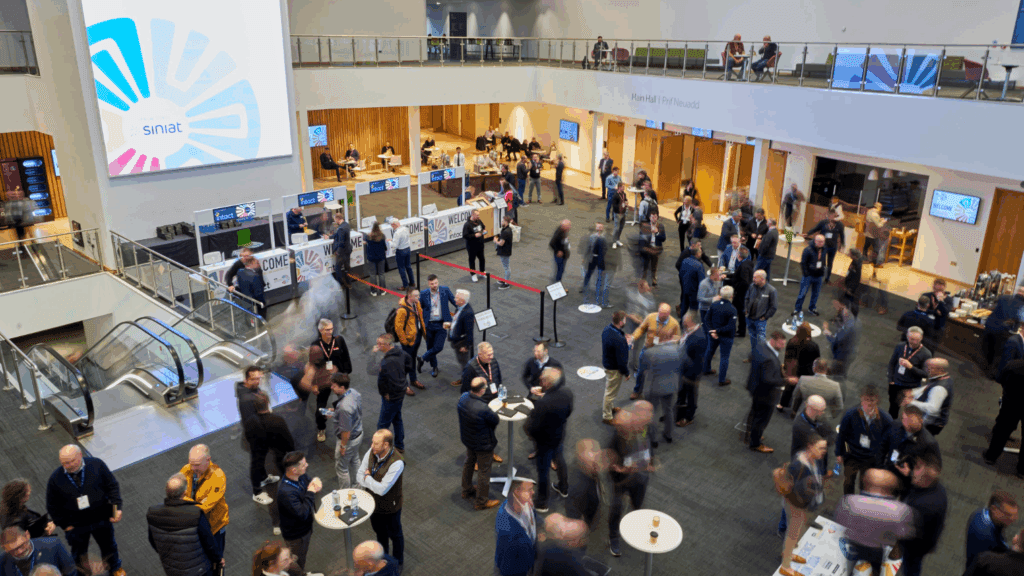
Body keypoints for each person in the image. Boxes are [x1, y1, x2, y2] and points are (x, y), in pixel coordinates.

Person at [45, 445, 124, 575]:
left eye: (71, 461)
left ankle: (114, 568)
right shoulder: (55, 479)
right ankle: (82, 574)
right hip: (75, 525)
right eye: (65, 463)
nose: (69, 465)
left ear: (80, 455)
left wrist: (117, 509)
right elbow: (52, 505)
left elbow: (112, 486)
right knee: (79, 553)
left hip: (101, 517)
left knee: (109, 546)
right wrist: (65, 525)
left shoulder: (97, 464)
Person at [833, 469, 914, 576]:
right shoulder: (897, 511)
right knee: (876, 567)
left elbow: (840, 520)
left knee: (851, 564)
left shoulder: (850, 502)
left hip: (856, 544)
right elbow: (903, 532)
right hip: (876, 548)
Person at [146, 473, 222, 576]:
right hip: (199, 570)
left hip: (172, 568)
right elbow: (209, 544)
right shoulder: (195, 513)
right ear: (185, 493)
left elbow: (152, 540)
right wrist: (218, 560)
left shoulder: (152, 512)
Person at [776, 433, 828, 576]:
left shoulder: (813, 460)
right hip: (796, 504)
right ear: (810, 447)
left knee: (797, 532)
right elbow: (792, 488)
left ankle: (789, 553)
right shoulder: (799, 465)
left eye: (824, 448)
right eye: (820, 448)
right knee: (792, 534)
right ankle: (785, 567)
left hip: (803, 504)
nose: (823, 451)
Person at [607, 402, 654, 557]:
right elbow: (609, 459)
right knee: (616, 507)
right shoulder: (620, 433)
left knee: (638, 504)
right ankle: (613, 536)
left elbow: (649, 447)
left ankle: (635, 526)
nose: (649, 418)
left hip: (640, 477)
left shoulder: (646, 428)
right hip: (621, 480)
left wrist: (649, 462)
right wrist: (620, 469)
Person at [525, 368, 573, 512]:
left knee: (543, 471)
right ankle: (564, 488)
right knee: (560, 460)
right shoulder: (567, 393)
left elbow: (531, 427)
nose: (540, 382)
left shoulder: (543, 403)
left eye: (542, 380)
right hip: (559, 435)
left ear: (547, 382)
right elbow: (569, 412)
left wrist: (533, 437)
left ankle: (542, 503)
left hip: (544, 442)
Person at [359, 429, 405, 569]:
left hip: (391, 507)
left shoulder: (397, 462)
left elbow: (382, 489)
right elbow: (358, 476)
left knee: (395, 535)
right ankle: (383, 560)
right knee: (380, 533)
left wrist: (367, 478)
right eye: (372, 442)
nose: (372, 445)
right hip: (373, 504)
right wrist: (368, 480)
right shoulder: (372, 452)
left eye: (376, 443)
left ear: (386, 445)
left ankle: (397, 562)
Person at [836, 386, 893, 495]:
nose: (869, 403)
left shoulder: (885, 419)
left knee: (865, 484)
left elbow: (889, 441)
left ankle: (861, 503)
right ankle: (848, 501)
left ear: (877, 400)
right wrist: (839, 453)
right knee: (848, 482)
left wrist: (883, 460)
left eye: (872, 400)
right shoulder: (850, 414)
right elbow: (842, 434)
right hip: (852, 455)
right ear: (861, 399)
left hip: (870, 458)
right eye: (866, 399)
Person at [898, 453, 948, 576]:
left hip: (914, 547)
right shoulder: (937, 488)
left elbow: (906, 529)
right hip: (923, 542)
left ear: (926, 478)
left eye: (917, 469)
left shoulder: (923, 505)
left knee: (911, 567)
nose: (913, 471)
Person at [305, 319, 352, 442]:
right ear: (320, 330)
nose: (330, 332)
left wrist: (345, 376)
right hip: (323, 381)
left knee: (346, 404)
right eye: (327, 330)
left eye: (331, 329)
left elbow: (346, 358)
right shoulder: (315, 345)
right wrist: (314, 384)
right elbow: (313, 366)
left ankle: (345, 426)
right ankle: (321, 427)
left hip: (339, 379)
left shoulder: (339, 340)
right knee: (320, 408)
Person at [244, 390, 292, 511]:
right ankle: (257, 493)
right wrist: (291, 450)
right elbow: (288, 439)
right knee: (263, 462)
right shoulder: (277, 420)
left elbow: (248, 438)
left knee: (256, 462)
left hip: (260, 447)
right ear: (268, 403)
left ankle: (262, 481)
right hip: (273, 449)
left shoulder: (250, 422)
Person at [458, 377, 501, 510]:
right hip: (483, 444)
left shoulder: (463, 397)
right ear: (482, 390)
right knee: (484, 471)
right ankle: (481, 501)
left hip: (468, 439)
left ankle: (466, 489)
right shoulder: (483, 408)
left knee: (469, 462)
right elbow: (495, 420)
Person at [178, 445, 228, 559]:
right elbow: (176, 493)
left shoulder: (218, 477)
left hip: (214, 528)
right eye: (191, 463)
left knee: (217, 560)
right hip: (193, 526)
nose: (192, 467)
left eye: (197, 465)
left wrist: (184, 500)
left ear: (208, 460)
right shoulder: (186, 469)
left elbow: (204, 507)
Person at [276, 452, 321, 572]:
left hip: (305, 529)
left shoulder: (300, 476)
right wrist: (311, 491)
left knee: (302, 558)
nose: (307, 465)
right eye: (303, 464)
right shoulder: (286, 492)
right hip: (296, 536)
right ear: (293, 469)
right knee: (295, 564)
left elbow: (310, 481)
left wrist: (315, 481)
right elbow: (303, 513)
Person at [369, 334, 412, 453]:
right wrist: (403, 379)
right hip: (400, 392)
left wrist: (373, 354)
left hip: (391, 396)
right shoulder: (402, 353)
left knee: (382, 425)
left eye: (380, 344)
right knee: (397, 418)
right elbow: (409, 364)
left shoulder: (386, 362)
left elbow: (371, 370)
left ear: (388, 345)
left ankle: (380, 448)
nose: (377, 346)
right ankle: (400, 445)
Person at [880, 405, 941, 488]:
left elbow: (934, 470)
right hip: (888, 472)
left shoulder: (929, 443)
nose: (907, 424)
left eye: (911, 421)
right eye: (905, 420)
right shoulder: (895, 426)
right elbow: (883, 445)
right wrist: (879, 467)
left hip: (907, 483)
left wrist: (910, 474)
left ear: (921, 421)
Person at [746, 331, 787, 453]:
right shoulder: (770, 358)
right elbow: (768, 379)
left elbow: (750, 356)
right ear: (773, 341)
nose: (782, 347)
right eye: (781, 344)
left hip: (754, 388)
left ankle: (751, 434)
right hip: (765, 395)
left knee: (754, 412)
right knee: (761, 420)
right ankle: (755, 443)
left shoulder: (760, 346)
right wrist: (785, 381)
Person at [984, 358, 1024, 475]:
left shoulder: (1014, 364)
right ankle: (1021, 470)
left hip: (1011, 403)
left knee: (1002, 431)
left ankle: (990, 457)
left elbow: (1000, 378)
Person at [494, 479, 539, 576]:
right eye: (529, 490)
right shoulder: (507, 530)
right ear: (517, 491)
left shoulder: (525, 501)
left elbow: (533, 520)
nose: (533, 492)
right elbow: (508, 567)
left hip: (528, 560)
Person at [886, 327, 932, 420]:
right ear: (907, 337)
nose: (914, 342)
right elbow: (892, 363)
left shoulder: (926, 354)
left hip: (912, 387)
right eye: (912, 339)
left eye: (917, 339)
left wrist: (911, 367)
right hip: (896, 384)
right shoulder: (900, 346)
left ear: (922, 338)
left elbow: (925, 374)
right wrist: (891, 380)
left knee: (910, 411)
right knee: (893, 408)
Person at [965, 491, 1019, 570]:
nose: (1013, 519)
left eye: (1014, 515)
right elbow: (1008, 562)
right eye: (1008, 515)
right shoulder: (990, 537)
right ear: (994, 509)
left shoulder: (979, 513)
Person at [418, 275, 456, 379]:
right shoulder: (423, 294)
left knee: (438, 347)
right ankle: (434, 367)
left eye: (435, 283)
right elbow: (419, 308)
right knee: (430, 347)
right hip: (429, 324)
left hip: (442, 324)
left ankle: (422, 358)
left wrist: (463, 310)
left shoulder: (445, 290)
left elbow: (454, 302)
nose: (434, 285)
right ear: (428, 284)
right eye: (432, 284)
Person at [0, 526, 77, 576]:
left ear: (27, 535)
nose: (20, 551)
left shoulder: (53, 545)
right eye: (13, 550)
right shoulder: (2, 561)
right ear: (5, 548)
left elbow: (71, 572)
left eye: (21, 545)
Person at [674, 311, 706, 429]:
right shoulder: (688, 331)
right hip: (683, 370)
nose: (682, 322)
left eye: (684, 321)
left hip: (691, 374)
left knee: (691, 395)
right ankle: (678, 413)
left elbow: (697, 362)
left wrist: (690, 377)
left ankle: (689, 417)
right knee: (681, 393)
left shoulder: (699, 338)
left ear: (691, 322)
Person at [778, 323, 821, 412]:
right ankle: (795, 410)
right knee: (802, 391)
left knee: (789, 388)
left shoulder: (792, 342)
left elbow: (788, 357)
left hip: (794, 370)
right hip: (807, 372)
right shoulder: (813, 346)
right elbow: (817, 359)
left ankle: (782, 405)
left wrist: (786, 369)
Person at [391, 287, 426, 394]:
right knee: (406, 363)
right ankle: (404, 385)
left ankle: (413, 379)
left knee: (413, 359)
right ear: (409, 296)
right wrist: (404, 341)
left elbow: (420, 318)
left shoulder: (416, 303)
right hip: (408, 341)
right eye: (416, 296)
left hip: (417, 336)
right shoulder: (402, 310)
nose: (419, 297)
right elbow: (398, 328)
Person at [601, 311, 632, 424]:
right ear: (620, 322)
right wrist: (626, 373)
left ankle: (610, 408)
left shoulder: (607, 329)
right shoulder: (619, 340)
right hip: (614, 369)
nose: (625, 322)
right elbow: (621, 361)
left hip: (607, 363)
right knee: (610, 393)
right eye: (624, 320)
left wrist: (623, 339)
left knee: (611, 389)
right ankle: (607, 416)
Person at [983, 287, 1024, 373]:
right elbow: (1019, 318)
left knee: (989, 349)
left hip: (989, 325)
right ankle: (992, 373)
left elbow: (995, 308)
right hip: (1002, 331)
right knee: (998, 353)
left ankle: (987, 367)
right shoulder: (1021, 304)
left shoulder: (1004, 297)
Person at [703, 286, 737, 386]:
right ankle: (721, 380)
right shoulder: (732, 309)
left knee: (709, 351)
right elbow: (731, 326)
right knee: (724, 357)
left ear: (720, 295)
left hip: (713, 335)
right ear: (731, 296)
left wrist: (712, 331)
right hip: (726, 337)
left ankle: (706, 369)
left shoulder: (714, 305)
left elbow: (706, 319)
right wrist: (718, 331)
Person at [566, 440, 604, 528]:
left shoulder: (591, 472)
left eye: (597, 450)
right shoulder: (576, 488)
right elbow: (572, 515)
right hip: (588, 510)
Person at [805, 210, 846, 284]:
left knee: (830, 263)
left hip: (833, 247)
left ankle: (827, 278)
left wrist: (842, 245)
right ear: (829, 215)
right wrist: (807, 234)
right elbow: (815, 229)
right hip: (823, 246)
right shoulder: (823, 222)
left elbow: (842, 235)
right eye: (834, 215)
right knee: (820, 261)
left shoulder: (839, 224)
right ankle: (817, 275)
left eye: (836, 216)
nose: (835, 217)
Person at [794, 234, 827, 316]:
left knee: (816, 294)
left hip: (819, 276)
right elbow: (803, 263)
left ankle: (812, 308)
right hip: (808, 276)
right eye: (819, 241)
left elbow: (823, 260)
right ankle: (797, 309)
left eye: (822, 241)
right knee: (802, 293)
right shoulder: (807, 250)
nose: (821, 243)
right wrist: (806, 274)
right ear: (815, 241)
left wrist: (823, 271)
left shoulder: (824, 249)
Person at [744, 270, 778, 350]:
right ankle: (754, 355)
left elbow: (773, 307)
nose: (753, 279)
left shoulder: (771, 290)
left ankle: (761, 359)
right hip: (749, 318)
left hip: (760, 320)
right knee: (752, 337)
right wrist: (745, 309)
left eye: (755, 278)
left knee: (761, 340)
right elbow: (746, 298)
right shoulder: (752, 286)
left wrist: (765, 316)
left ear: (762, 279)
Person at [448, 290, 476, 384]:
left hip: (461, 343)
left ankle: (466, 381)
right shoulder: (460, 307)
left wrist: (466, 346)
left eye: (457, 298)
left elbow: (469, 332)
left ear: (462, 301)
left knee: (464, 363)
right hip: (457, 340)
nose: (454, 299)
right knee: (462, 361)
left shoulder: (468, 313)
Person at [730, 246, 755, 339]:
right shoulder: (748, 263)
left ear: (739, 255)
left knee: (739, 312)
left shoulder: (743, 266)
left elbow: (744, 282)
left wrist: (736, 287)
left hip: (741, 294)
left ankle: (741, 331)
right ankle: (740, 330)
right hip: (744, 293)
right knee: (740, 312)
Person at [677, 241, 706, 318]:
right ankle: (689, 324)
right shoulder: (699, 265)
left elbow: (681, 273)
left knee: (684, 306)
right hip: (694, 291)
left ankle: (682, 323)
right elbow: (702, 281)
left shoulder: (685, 260)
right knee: (693, 309)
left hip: (685, 287)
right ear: (697, 254)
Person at [638, 214, 666, 286]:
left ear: (657, 218)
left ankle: (654, 279)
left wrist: (657, 233)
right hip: (647, 249)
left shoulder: (660, 226)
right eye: (652, 217)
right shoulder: (646, 226)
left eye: (655, 217)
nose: (653, 218)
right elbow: (641, 236)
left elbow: (663, 238)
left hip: (655, 249)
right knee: (645, 265)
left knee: (654, 266)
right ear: (650, 218)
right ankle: (643, 279)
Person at [385, 220, 412, 291]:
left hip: (401, 251)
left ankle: (405, 285)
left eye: (392, 225)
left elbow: (394, 245)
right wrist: (393, 240)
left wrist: (390, 241)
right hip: (407, 249)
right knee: (408, 266)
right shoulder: (405, 228)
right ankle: (412, 282)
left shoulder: (397, 233)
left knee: (401, 269)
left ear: (394, 225)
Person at [864, 202, 888, 276]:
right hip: (873, 234)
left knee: (866, 246)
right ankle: (875, 263)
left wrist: (879, 219)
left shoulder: (869, 211)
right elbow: (879, 225)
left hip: (867, 232)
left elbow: (873, 220)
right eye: (881, 208)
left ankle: (864, 259)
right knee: (876, 249)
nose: (881, 210)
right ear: (879, 207)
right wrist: (883, 221)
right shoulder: (875, 214)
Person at [363, 222, 387, 296]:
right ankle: (382, 290)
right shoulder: (382, 236)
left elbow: (364, 242)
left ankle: (374, 291)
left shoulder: (368, 236)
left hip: (371, 258)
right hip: (381, 257)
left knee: (372, 275)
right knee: (381, 273)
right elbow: (385, 247)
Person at [331, 214, 352, 288]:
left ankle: (340, 284)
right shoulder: (346, 225)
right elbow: (338, 235)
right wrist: (330, 237)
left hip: (342, 252)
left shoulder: (341, 228)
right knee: (347, 267)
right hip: (348, 250)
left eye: (335, 220)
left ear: (337, 219)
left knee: (337, 268)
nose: (334, 221)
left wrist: (338, 252)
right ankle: (349, 283)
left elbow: (340, 242)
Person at [495, 215, 514, 289]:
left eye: (502, 221)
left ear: (506, 222)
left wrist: (495, 241)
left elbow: (501, 243)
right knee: (506, 266)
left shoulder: (506, 231)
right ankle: (506, 280)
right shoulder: (507, 229)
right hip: (505, 250)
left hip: (504, 251)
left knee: (506, 267)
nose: (501, 222)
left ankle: (506, 283)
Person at [611, 182, 628, 248]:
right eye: (623, 187)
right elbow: (614, 205)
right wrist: (620, 208)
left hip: (623, 213)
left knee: (621, 227)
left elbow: (625, 200)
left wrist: (626, 202)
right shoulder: (616, 195)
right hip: (618, 214)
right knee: (616, 228)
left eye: (624, 187)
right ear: (619, 187)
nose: (624, 188)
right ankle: (614, 242)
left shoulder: (624, 194)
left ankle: (617, 239)